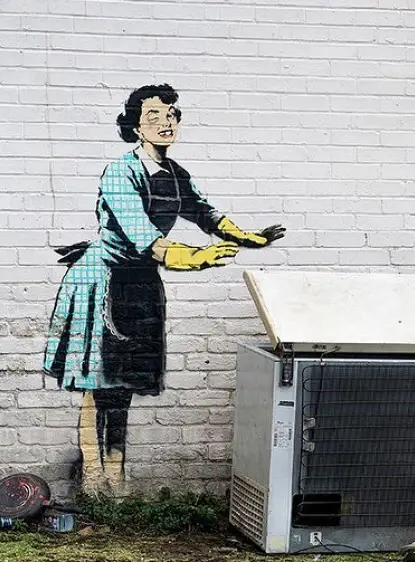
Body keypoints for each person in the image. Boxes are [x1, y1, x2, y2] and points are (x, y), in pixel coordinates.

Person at [43, 84, 285, 495]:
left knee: (125, 385)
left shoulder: (175, 174)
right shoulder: (121, 172)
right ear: (136, 126)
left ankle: (115, 477)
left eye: (171, 114)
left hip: (142, 284)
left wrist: (250, 237)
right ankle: (93, 475)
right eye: (153, 116)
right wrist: (198, 257)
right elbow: (144, 236)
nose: (165, 122)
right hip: (104, 282)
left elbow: (206, 213)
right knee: (98, 384)